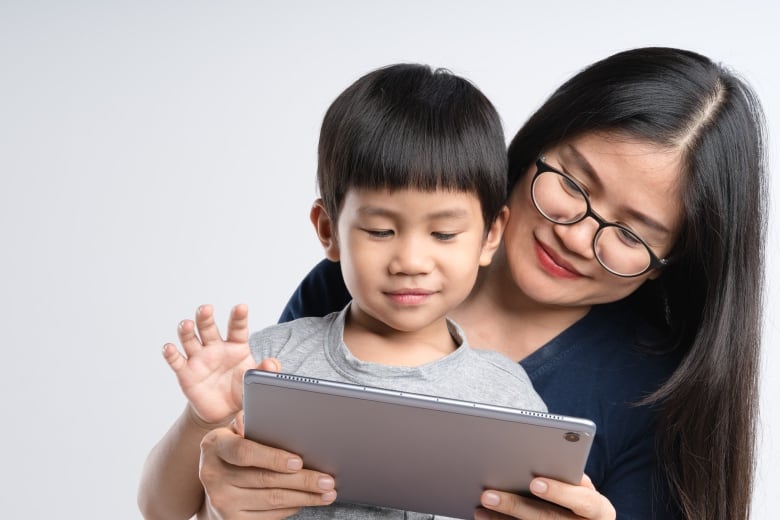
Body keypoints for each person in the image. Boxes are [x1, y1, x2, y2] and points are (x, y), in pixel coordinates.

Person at [179, 47, 767, 520]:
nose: (576, 234)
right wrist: (218, 495)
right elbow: (211, 488)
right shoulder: (361, 289)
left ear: (675, 260)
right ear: (533, 146)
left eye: (630, 233)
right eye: (575, 183)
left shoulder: (652, 398)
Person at [138, 63, 549, 519]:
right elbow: (161, 511)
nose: (411, 262)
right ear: (328, 229)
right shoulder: (268, 365)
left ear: (490, 236)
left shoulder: (505, 396)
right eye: (379, 230)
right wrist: (202, 420)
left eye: (444, 234)